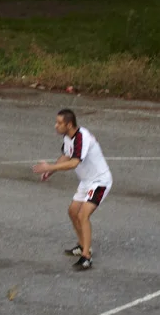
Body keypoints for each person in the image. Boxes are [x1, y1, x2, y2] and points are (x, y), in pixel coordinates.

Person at [32, 108, 112, 271]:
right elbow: (66, 156)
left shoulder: (82, 137)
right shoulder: (68, 137)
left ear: (69, 125)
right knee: (72, 211)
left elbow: (74, 163)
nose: (56, 126)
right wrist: (51, 171)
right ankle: (83, 245)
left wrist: (50, 166)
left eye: (59, 123)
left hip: (99, 181)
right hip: (86, 181)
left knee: (83, 214)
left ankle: (86, 257)